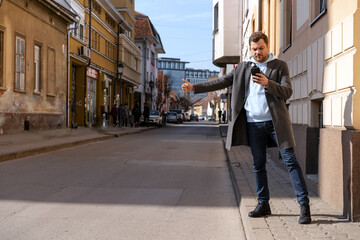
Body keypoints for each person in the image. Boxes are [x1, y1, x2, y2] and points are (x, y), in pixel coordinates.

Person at [181, 32, 311, 225]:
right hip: (253, 124)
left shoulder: (279, 66)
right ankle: (263, 204)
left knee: (290, 161)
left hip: (276, 123)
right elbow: (222, 82)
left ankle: (304, 206)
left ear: (267, 47)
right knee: (258, 165)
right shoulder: (243, 67)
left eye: (261, 48)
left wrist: (269, 83)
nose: (258, 52)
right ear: (250, 49)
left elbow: (288, 91)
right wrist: (195, 88)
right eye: (254, 49)